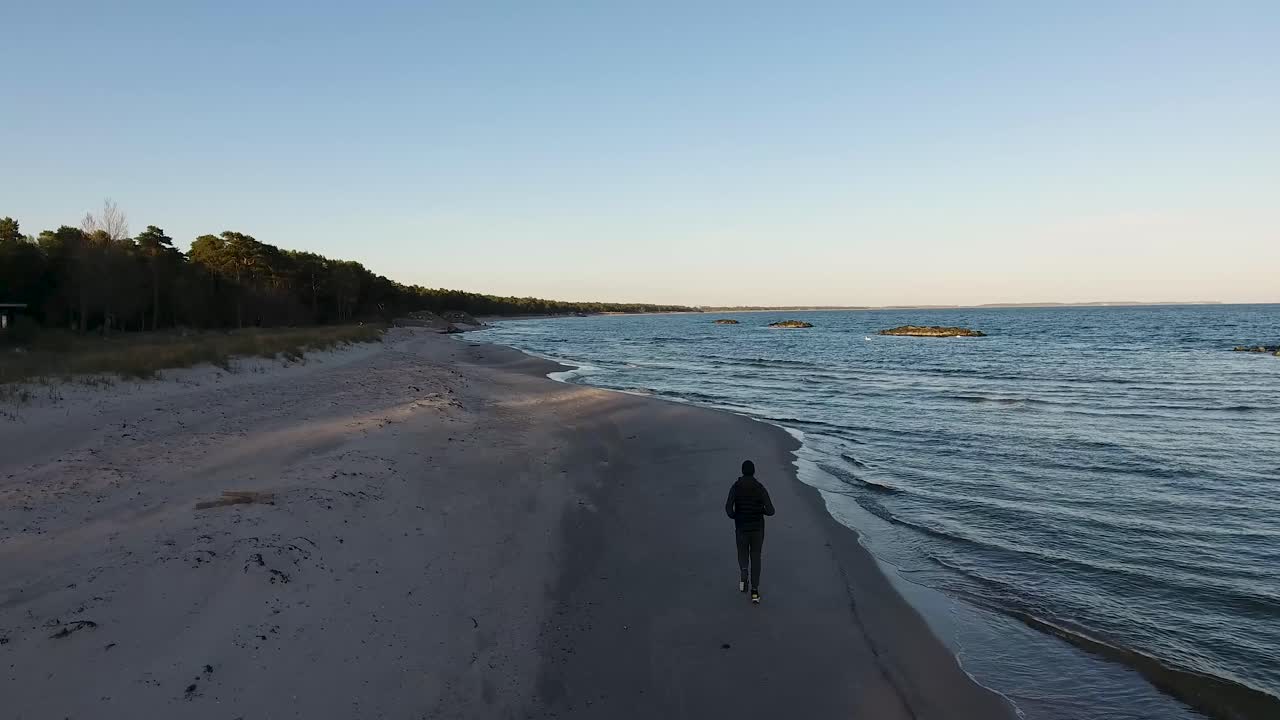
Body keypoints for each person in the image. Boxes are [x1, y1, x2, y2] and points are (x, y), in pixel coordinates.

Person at [724, 459, 775, 604]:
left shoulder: (736, 486)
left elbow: (728, 509)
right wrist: (761, 511)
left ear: (742, 471)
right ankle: (754, 592)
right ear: (753, 471)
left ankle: (743, 575)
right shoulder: (759, 488)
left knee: (742, 554)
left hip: (741, 527)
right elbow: (771, 511)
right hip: (757, 528)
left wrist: (736, 516)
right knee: (756, 557)